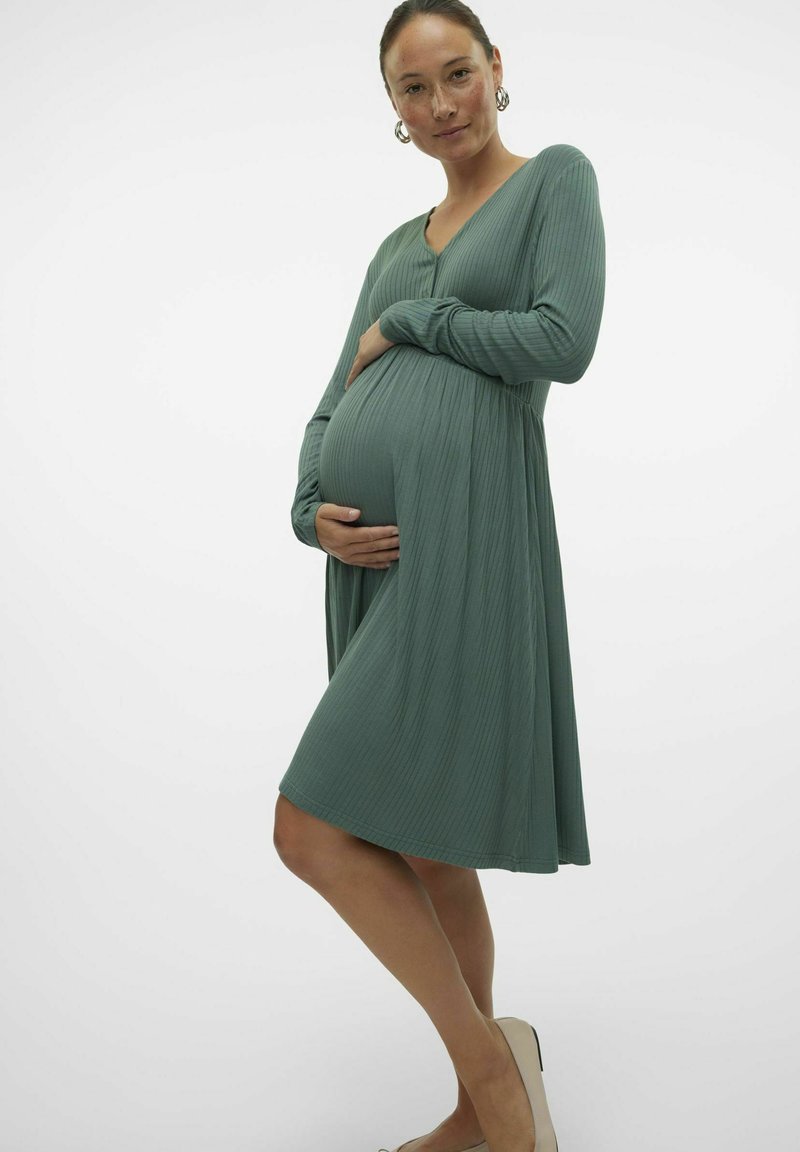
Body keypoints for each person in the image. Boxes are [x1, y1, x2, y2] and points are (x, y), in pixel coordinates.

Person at [273, 2, 605, 1149]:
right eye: (411, 90)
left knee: (308, 830)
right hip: (374, 568)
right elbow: (332, 401)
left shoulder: (553, 181)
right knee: (420, 840)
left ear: (496, 68)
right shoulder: (390, 245)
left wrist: (417, 321)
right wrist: (309, 513)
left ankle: (494, 1078)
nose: (439, 105)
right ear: (394, 111)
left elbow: (561, 340)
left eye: (455, 74)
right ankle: (480, 1101)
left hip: (467, 546)